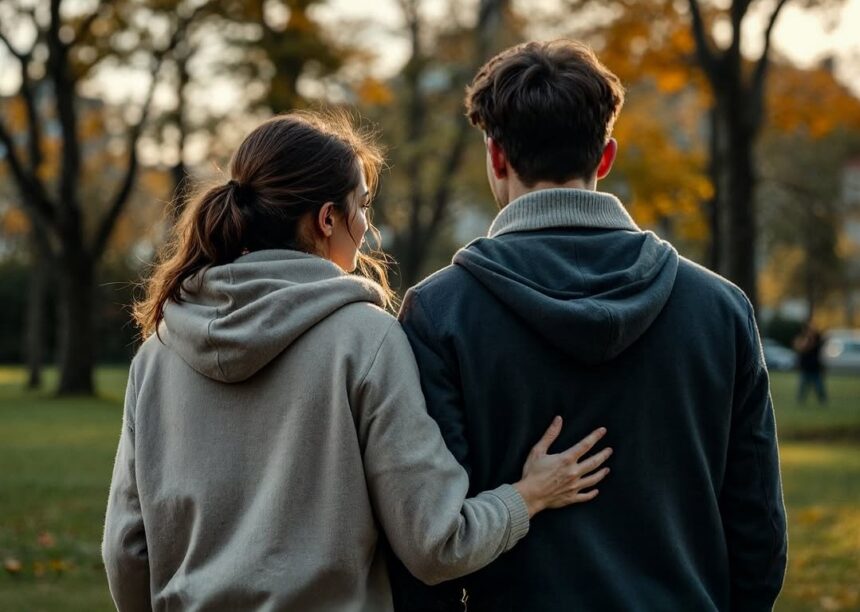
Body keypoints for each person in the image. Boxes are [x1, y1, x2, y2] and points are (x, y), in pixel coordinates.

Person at [101, 110, 614, 611]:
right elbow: (436, 544)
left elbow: (125, 550)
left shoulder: (157, 354)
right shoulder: (366, 341)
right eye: (362, 206)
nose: (367, 228)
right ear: (328, 219)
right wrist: (529, 495)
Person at [389, 40, 787, 611]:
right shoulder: (719, 309)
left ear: (496, 157)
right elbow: (758, 531)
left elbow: (426, 539)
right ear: (605, 157)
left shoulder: (441, 312)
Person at [794, 322, 827, 405]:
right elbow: (800, 347)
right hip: (805, 368)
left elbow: (818, 343)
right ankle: (800, 402)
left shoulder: (817, 338)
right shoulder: (802, 338)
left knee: (819, 387)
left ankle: (823, 401)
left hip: (815, 368)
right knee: (802, 387)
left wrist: (810, 338)